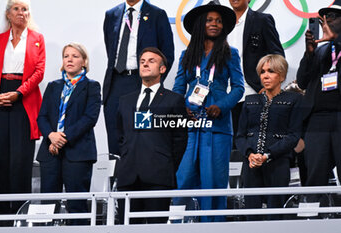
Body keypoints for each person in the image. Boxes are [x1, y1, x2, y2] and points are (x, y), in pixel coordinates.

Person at [172, 1, 244, 222]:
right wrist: (182, 107)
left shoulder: (230, 53)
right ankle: (178, 223)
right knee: (183, 178)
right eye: (211, 20)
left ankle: (214, 225)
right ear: (201, 24)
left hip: (218, 127)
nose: (215, 24)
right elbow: (178, 87)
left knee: (213, 180)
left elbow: (239, 87)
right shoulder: (187, 55)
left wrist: (221, 106)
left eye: (219, 21)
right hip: (191, 124)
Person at [116, 47, 187, 224]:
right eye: (142, 61)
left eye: (151, 61)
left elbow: (179, 139)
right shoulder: (125, 100)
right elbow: (119, 134)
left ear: (162, 69)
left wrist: (166, 165)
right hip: (128, 176)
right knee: (128, 227)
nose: (145, 63)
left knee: (156, 227)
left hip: (159, 176)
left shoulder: (174, 100)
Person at [0, 0, 45, 221]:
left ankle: (20, 211)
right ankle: (1, 211)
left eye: (25, 9)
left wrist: (19, 93)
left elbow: (39, 72)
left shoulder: (36, 39)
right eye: (17, 9)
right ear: (8, 14)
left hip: (23, 98)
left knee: (21, 159)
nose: (22, 13)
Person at [37, 43, 101, 225]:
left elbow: (89, 118)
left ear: (84, 61)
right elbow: (42, 117)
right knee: (47, 207)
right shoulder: (53, 86)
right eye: (66, 56)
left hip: (78, 152)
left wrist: (60, 139)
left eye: (75, 56)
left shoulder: (92, 86)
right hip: (50, 153)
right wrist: (51, 136)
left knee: (77, 205)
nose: (70, 59)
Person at [103, 0, 175, 156]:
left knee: (141, 136)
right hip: (115, 83)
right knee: (115, 138)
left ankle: (141, 178)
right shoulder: (111, 14)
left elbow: (167, 54)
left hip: (141, 83)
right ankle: (118, 178)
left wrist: (153, 83)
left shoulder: (157, 14)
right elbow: (111, 50)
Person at [236, 54, 302, 220]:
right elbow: (240, 136)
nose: (265, 75)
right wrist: (250, 154)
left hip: (278, 163)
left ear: (281, 75)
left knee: (276, 213)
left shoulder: (294, 99)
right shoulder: (250, 100)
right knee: (251, 214)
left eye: (271, 71)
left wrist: (267, 155)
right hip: (251, 164)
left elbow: (293, 135)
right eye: (262, 71)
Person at [228, 0, 285, 149]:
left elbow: (277, 54)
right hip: (224, 95)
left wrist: (268, 86)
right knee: (228, 146)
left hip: (252, 91)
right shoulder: (222, 23)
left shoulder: (262, 20)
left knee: (253, 145)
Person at [296, 0, 341, 188]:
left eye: (332, 17)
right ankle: (313, 215)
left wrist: (337, 40)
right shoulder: (321, 51)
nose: (326, 21)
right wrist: (309, 54)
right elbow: (303, 81)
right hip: (317, 119)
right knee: (315, 171)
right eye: (324, 17)